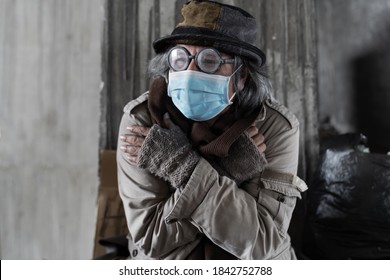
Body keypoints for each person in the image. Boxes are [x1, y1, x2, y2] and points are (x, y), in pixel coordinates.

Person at [117, 0, 307, 260]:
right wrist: (227, 172)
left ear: (242, 75)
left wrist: (181, 166)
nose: (190, 71)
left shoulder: (274, 127)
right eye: (180, 58)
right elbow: (153, 239)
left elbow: (262, 242)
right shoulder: (142, 121)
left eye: (210, 60)